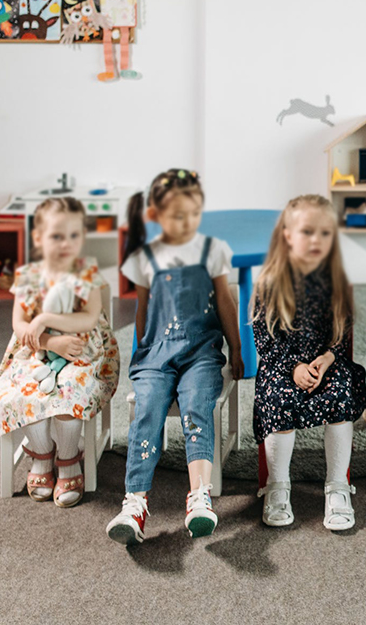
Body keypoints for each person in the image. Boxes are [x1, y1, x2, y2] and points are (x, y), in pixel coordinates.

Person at [106, 169, 243, 544]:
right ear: (157, 216)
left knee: (197, 405)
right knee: (147, 409)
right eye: (177, 216)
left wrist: (236, 348)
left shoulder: (211, 250)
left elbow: (227, 304)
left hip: (200, 351)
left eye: (193, 214)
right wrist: (139, 354)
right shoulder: (144, 257)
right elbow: (143, 309)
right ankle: (135, 502)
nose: (186, 223)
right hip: (155, 354)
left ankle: (200, 497)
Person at [0, 197, 119, 508]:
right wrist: (49, 341)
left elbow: (89, 317)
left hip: (84, 350)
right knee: (27, 391)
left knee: (70, 390)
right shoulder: (29, 275)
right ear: (38, 238)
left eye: (74, 236)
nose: (66, 244)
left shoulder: (85, 272)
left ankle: (68, 458)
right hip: (36, 352)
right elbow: (20, 324)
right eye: (57, 236)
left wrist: (46, 319)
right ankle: (42, 456)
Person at [252, 195, 366, 531]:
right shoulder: (269, 282)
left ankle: (337, 487)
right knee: (278, 398)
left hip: (325, 363)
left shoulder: (334, 280)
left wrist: (326, 359)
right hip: (282, 364)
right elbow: (265, 341)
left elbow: (341, 334)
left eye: (325, 233)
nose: (316, 241)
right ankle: (277, 485)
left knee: (343, 392)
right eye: (307, 232)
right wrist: (294, 368)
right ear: (288, 235)